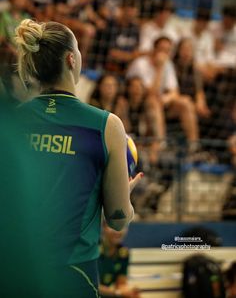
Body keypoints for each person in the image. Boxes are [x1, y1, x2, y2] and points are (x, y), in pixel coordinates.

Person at [14, 19, 142, 298]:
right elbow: (118, 220)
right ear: (72, 59)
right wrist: (125, 197)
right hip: (72, 274)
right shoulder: (107, 125)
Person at [127, 36, 200, 152]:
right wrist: (159, 69)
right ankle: (161, 143)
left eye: (167, 51)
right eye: (162, 49)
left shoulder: (168, 64)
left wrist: (165, 99)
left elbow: (175, 92)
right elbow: (150, 93)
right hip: (141, 104)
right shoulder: (140, 64)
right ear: (154, 49)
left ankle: (194, 147)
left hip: (160, 104)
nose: (164, 53)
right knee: (153, 101)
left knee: (185, 103)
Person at [98, 222, 140, 298]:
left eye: (122, 226)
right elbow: (89, 286)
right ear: (103, 228)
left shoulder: (123, 254)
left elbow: (121, 284)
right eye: (112, 226)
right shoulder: (92, 251)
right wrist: (118, 293)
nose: (118, 231)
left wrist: (129, 291)